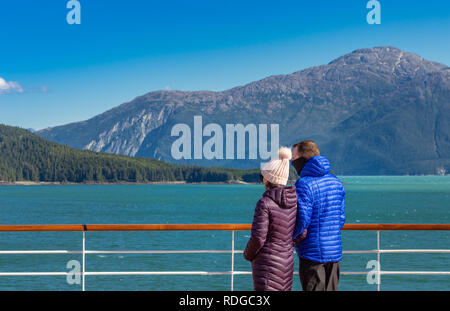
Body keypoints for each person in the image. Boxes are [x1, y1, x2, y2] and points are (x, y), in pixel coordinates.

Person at [291, 140, 346, 291]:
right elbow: (341, 220)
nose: (292, 163)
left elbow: (302, 221)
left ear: (303, 159)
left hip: (312, 252)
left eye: (293, 159)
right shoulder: (336, 182)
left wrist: (291, 239)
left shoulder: (304, 184)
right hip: (334, 252)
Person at [243, 147, 298, 291]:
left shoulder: (265, 203)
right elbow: (301, 231)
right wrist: (286, 245)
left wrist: (248, 255)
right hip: (287, 261)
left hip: (267, 263)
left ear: (268, 179)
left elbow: (258, 238)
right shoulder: (294, 201)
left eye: (263, 177)